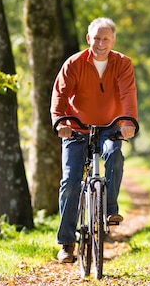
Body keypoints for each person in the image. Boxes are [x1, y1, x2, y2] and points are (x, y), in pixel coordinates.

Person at [50, 17, 138, 263]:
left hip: (110, 128)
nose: (101, 43)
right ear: (89, 39)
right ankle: (67, 243)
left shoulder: (122, 64)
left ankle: (110, 210)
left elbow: (128, 93)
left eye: (106, 39)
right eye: (96, 38)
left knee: (115, 155)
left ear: (113, 40)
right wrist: (61, 123)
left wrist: (128, 121)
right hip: (77, 129)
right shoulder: (74, 63)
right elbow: (60, 94)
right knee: (70, 182)